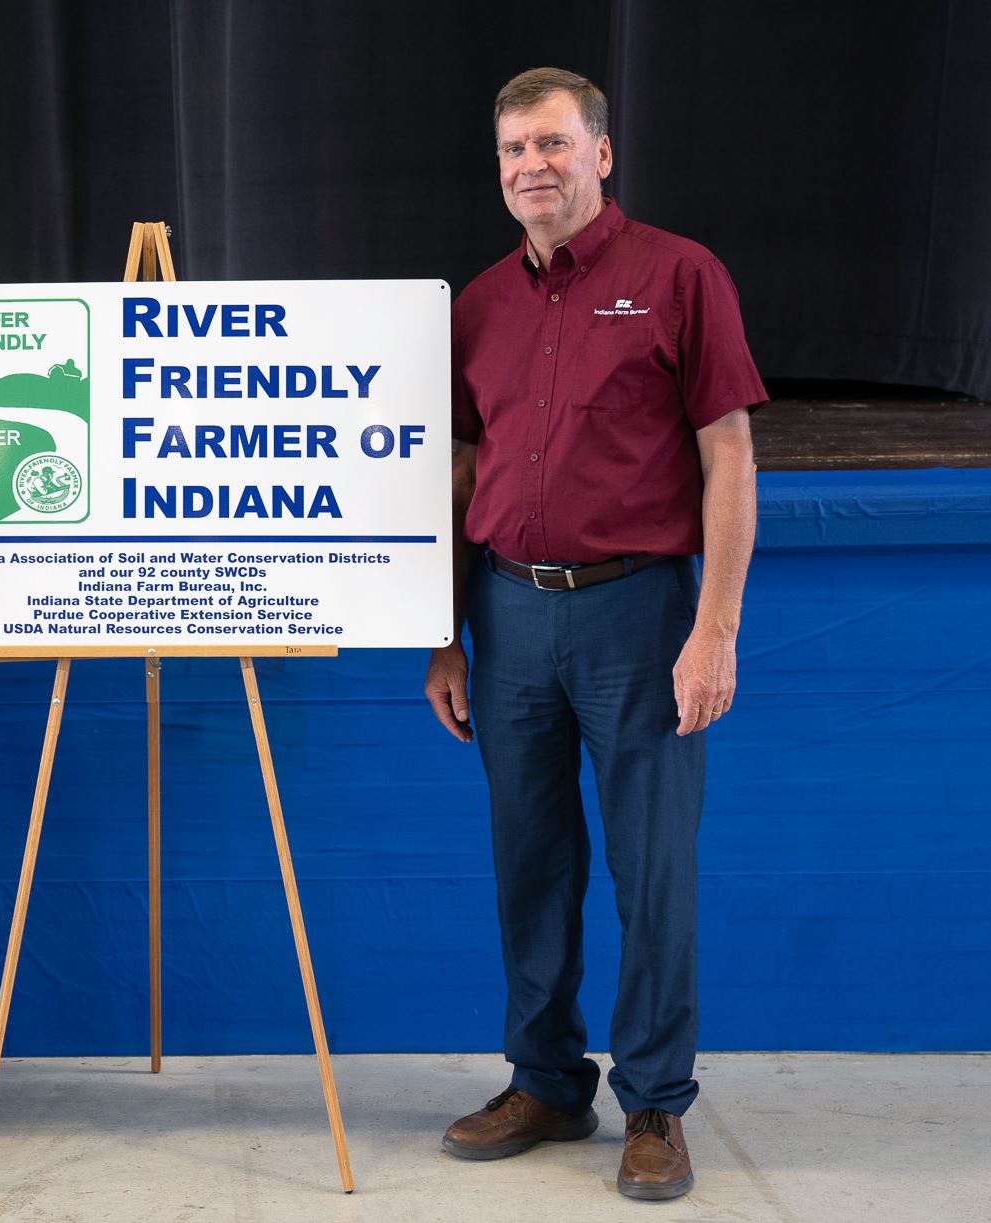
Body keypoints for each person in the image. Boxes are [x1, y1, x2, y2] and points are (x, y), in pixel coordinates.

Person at [423, 67, 764, 1201]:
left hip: (639, 612)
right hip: (508, 613)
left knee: (648, 866)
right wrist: (445, 633)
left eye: (554, 144)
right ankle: (546, 1079)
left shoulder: (679, 275)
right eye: (515, 148)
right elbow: (461, 470)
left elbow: (727, 455)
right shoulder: (476, 304)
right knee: (530, 863)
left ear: (601, 154)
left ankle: (656, 1101)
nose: (533, 166)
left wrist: (711, 630)